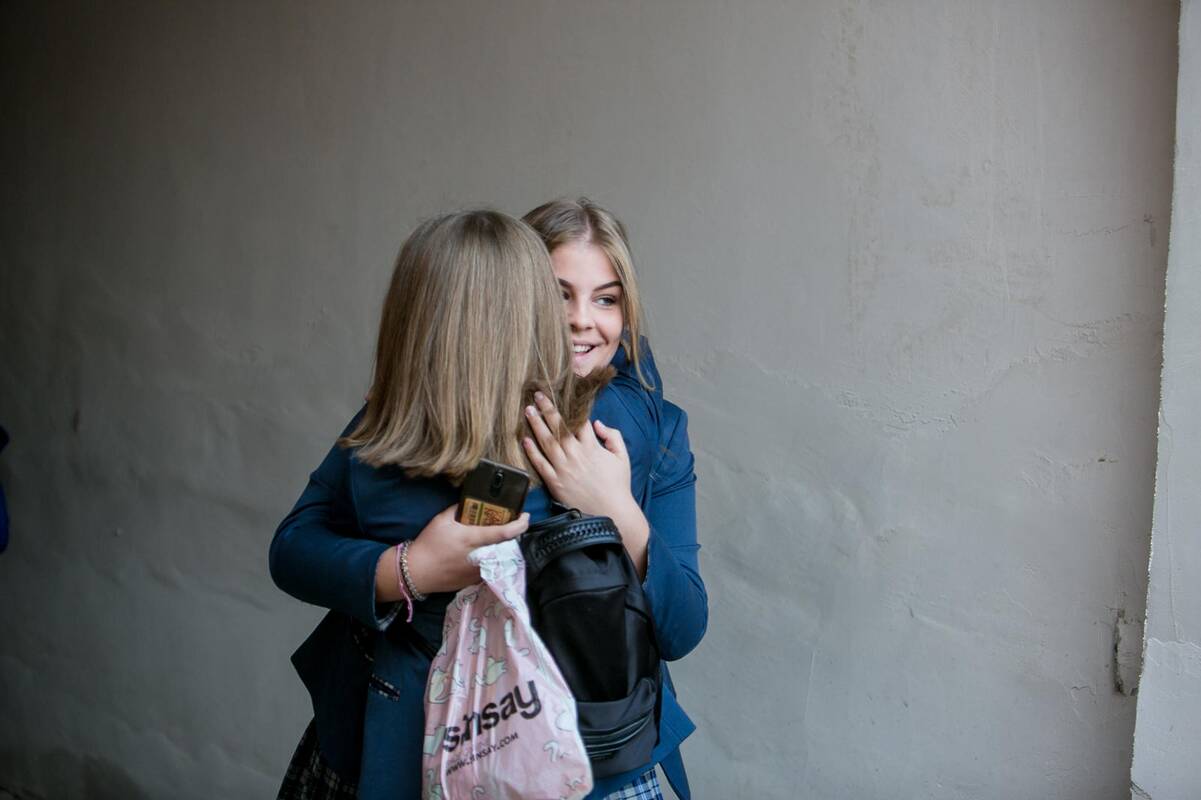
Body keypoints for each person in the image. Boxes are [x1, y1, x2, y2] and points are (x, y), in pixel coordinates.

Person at [520, 198, 707, 800]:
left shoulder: (659, 428)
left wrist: (616, 510)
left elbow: (684, 628)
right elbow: (300, 545)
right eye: (559, 295)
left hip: (603, 747)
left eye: (606, 299)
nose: (582, 320)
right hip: (467, 736)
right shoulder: (452, 403)